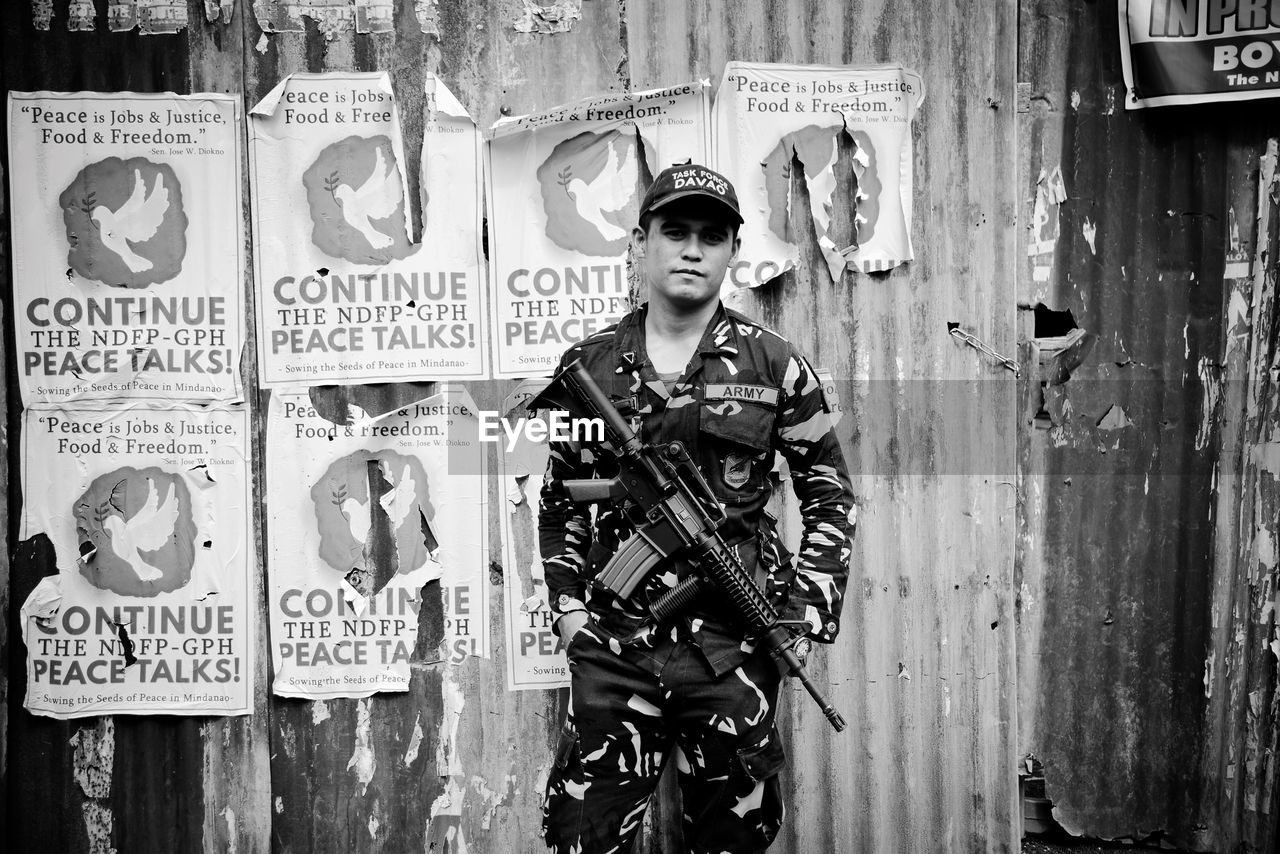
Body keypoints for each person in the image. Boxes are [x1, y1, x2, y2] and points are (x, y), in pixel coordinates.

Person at [538, 163, 855, 854]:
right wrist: (568, 613)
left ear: (732, 252)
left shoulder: (774, 366)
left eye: (710, 236)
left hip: (733, 651)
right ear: (639, 242)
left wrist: (803, 613)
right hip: (616, 651)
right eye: (674, 231)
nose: (691, 249)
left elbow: (830, 494)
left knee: (732, 842)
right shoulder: (591, 367)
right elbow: (562, 499)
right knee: (580, 840)